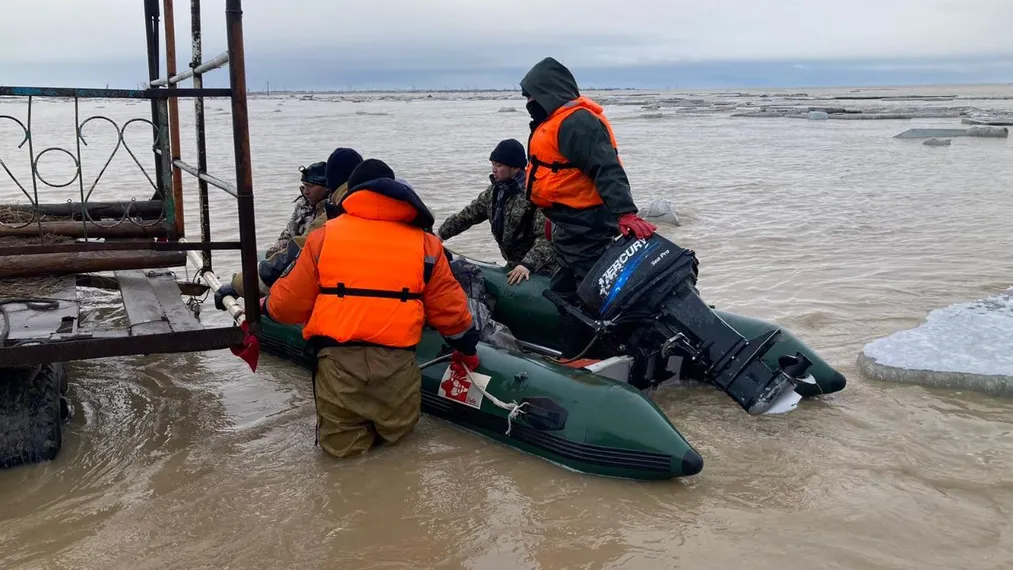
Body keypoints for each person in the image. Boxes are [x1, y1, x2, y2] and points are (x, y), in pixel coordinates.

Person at [261, 158, 481, 459]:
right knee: (399, 454)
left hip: (338, 369)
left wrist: (265, 307)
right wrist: (466, 349)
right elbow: (451, 312)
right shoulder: (427, 246)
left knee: (344, 462)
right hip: (396, 368)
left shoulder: (323, 237)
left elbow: (287, 306)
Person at [519, 56, 658, 357]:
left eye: (532, 94)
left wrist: (626, 213)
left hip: (588, 225)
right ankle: (576, 354)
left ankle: (608, 355)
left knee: (590, 294)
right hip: (570, 225)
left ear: (548, 92)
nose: (529, 101)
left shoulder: (577, 122)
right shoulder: (555, 121)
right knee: (564, 293)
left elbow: (606, 168)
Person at [214, 147, 363, 307]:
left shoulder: (333, 215)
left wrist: (238, 286)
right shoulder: (382, 202)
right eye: (303, 186)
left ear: (329, 185)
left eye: (310, 186)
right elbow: (287, 238)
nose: (306, 191)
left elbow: (294, 254)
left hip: (345, 301)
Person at [437, 138, 554, 285]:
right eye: (492, 164)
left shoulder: (535, 195)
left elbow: (547, 238)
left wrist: (527, 264)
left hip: (541, 268)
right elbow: (468, 216)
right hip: (513, 265)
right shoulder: (494, 193)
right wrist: (440, 235)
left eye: (499, 165)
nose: (494, 169)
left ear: (516, 167)